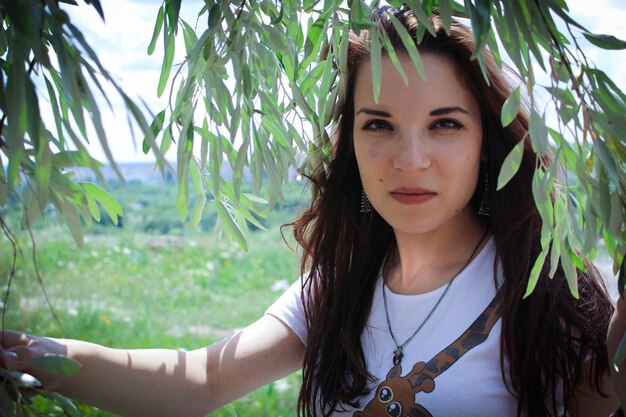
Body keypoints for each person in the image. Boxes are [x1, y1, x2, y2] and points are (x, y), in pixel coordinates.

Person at [1, 7, 624, 417]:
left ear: (486, 141)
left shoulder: (542, 288)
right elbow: (200, 380)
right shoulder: (337, 289)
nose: (410, 159)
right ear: (351, 143)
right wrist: (32, 356)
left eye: (445, 125)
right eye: (378, 124)